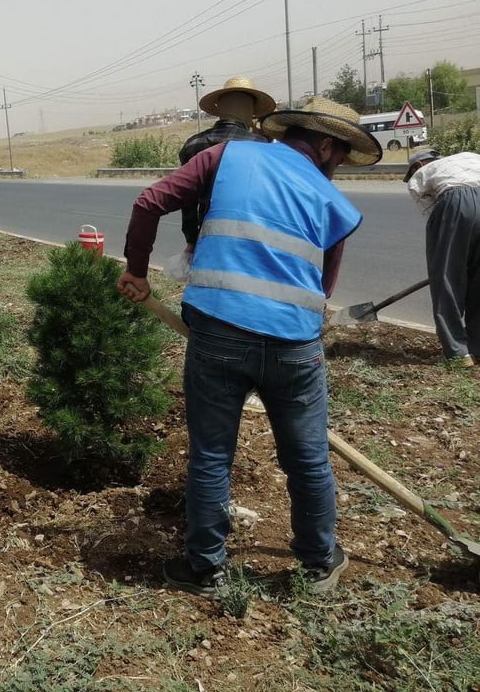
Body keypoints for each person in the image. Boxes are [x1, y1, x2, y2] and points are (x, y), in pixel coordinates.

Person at [118, 96, 382, 597]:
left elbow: (148, 202)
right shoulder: (335, 204)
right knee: (307, 460)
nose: (341, 167)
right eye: (342, 155)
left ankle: (205, 570)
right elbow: (322, 292)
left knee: (212, 456)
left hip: (217, 332)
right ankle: (318, 563)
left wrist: (135, 270)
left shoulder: (227, 156)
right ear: (326, 145)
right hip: (295, 347)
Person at [176, 76, 276, 255]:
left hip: (206, 236)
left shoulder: (192, 145)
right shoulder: (262, 147)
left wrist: (191, 240)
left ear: (220, 108)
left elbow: (188, 203)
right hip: (250, 238)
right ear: (250, 112)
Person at [404, 147, 480, 366]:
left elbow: (433, 213)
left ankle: (458, 353)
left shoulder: (421, 175)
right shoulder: (469, 157)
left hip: (457, 201)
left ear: (418, 165)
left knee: (447, 279)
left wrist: (445, 260)